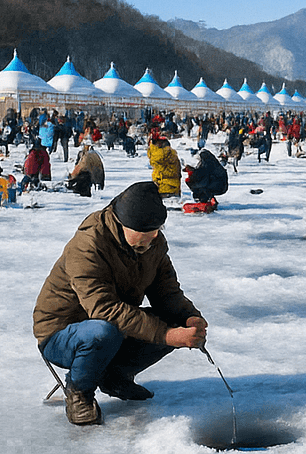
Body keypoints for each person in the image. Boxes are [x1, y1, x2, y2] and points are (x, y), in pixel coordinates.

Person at [33, 182, 208, 425]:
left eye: (155, 232)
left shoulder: (152, 242)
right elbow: (103, 309)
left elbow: (166, 292)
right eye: (143, 234)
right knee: (103, 331)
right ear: (121, 222)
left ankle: (115, 377)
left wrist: (189, 318)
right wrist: (167, 336)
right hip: (62, 334)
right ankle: (79, 392)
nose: (150, 240)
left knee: (173, 321)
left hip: (113, 329)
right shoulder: (88, 245)